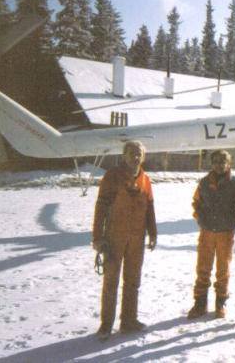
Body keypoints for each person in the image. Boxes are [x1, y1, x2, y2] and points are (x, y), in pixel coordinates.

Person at [92, 141, 157, 341]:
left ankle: (129, 320)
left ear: (143, 157)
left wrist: (153, 232)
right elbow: (101, 207)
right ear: (124, 155)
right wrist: (97, 238)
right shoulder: (112, 176)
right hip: (114, 237)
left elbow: (150, 208)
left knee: (132, 281)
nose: (135, 157)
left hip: (137, 238)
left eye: (139, 154)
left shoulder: (145, 179)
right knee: (111, 282)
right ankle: (106, 325)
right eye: (131, 154)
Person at [187, 150, 235, 320]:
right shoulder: (204, 182)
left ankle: (221, 301)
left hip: (225, 233)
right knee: (203, 268)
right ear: (211, 163)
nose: (219, 165)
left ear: (229, 164)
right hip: (207, 231)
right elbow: (196, 202)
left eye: (223, 162)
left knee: (223, 269)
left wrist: (234, 220)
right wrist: (200, 218)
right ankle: (200, 302)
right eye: (216, 161)